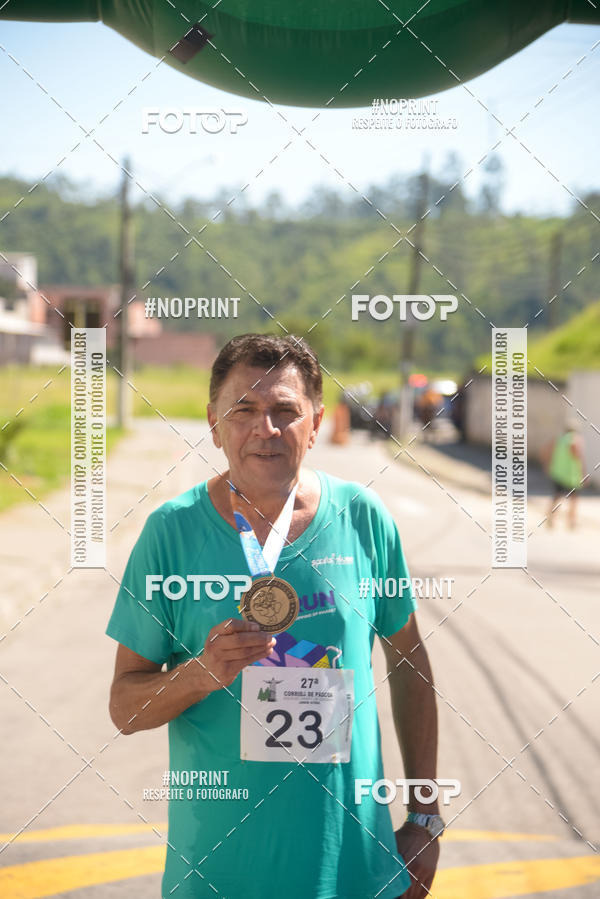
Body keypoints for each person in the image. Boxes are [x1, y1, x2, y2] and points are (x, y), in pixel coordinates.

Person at [107, 333, 442, 899]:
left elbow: (409, 663)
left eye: (286, 411)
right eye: (244, 411)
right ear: (214, 424)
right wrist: (202, 672)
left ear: (315, 425)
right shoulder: (171, 533)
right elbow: (124, 708)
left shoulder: (362, 517)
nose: (266, 428)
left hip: (354, 870)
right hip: (216, 874)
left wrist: (426, 815)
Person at [546, 420, 585, 529]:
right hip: (571, 475)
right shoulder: (574, 439)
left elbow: (546, 451)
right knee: (574, 499)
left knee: (556, 497)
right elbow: (578, 457)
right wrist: (583, 473)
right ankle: (571, 522)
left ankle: (551, 519)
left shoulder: (559, 439)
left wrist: (548, 465)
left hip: (558, 473)